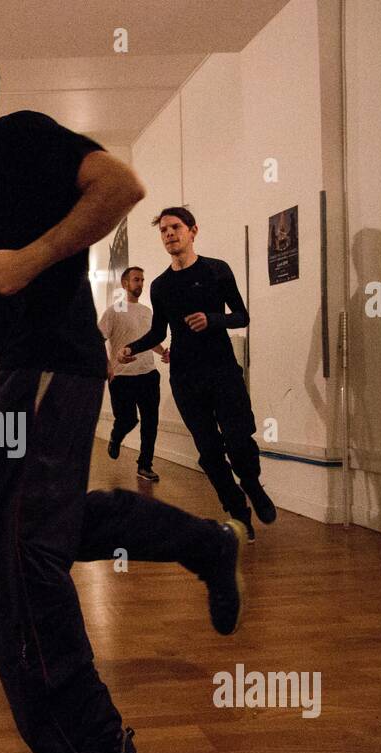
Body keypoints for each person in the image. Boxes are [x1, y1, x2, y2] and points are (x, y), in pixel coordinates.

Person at [0, 32, 246, 753]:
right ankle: (207, 543)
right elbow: (43, 272)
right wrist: (6, 332)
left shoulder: (17, 134)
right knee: (39, 533)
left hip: (48, 378)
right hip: (30, 366)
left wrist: (28, 262)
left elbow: (119, 184)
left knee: (23, 547)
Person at [122, 207, 276, 541]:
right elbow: (157, 333)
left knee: (238, 441)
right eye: (163, 230)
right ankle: (237, 511)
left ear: (193, 230)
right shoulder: (161, 286)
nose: (169, 234)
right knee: (208, 452)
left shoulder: (217, 271)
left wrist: (212, 319)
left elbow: (241, 316)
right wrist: (132, 348)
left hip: (222, 369)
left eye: (175, 227)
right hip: (185, 376)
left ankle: (252, 485)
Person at [98, 265, 168, 482]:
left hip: (148, 373)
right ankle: (116, 437)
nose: (140, 283)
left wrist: (163, 351)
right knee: (128, 419)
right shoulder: (113, 311)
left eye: (142, 279)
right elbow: (98, 340)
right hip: (121, 377)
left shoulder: (147, 311)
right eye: (136, 279)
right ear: (125, 283)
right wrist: (107, 367)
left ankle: (145, 465)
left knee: (150, 421)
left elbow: (151, 338)